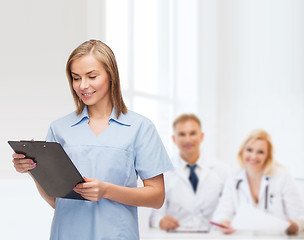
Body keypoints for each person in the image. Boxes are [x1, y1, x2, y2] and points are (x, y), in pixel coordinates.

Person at [12, 39, 173, 240]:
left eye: (92, 76)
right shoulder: (59, 128)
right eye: (76, 78)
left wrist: (106, 190)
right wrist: (32, 169)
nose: (83, 85)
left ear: (111, 75)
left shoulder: (140, 128)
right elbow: (56, 200)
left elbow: (157, 197)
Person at [212, 129, 304, 235]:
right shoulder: (233, 178)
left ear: (268, 156)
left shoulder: (282, 177)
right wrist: (224, 222)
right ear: (242, 151)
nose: (253, 156)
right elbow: (222, 212)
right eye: (249, 150)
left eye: (260, 152)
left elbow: (300, 216)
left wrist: (294, 225)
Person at [149, 113, 229, 231]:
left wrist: (224, 221)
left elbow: (228, 207)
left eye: (192, 133)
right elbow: (155, 215)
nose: (187, 140)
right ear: (174, 139)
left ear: (201, 136)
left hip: (212, 236)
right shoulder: (163, 173)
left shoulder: (222, 170)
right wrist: (161, 221)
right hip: (177, 236)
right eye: (182, 134)